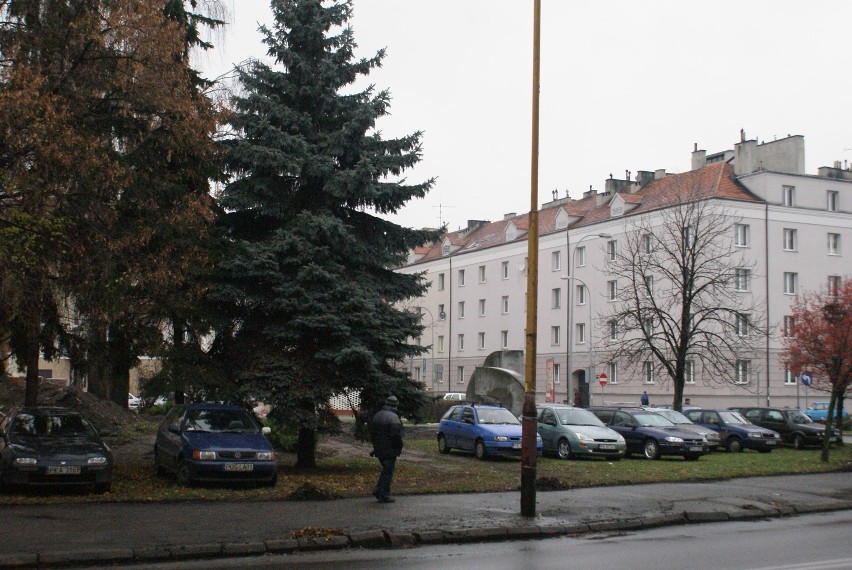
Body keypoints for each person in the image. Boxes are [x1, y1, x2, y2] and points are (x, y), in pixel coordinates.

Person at [370, 395, 404, 503]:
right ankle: (384, 495)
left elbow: (373, 433)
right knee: (388, 472)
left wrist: (375, 447)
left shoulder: (378, 415)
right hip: (389, 449)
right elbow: (396, 436)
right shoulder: (393, 417)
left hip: (378, 448)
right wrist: (399, 447)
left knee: (386, 470)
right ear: (396, 405)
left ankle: (378, 490)